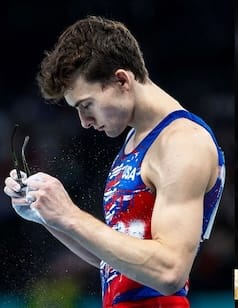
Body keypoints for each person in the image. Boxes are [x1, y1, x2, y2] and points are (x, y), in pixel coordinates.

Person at [4, 16, 225, 307]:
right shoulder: (135, 142)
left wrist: (70, 214)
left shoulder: (182, 141)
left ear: (122, 80)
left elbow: (170, 271)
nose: (84, 121)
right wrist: (47, 215)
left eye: (86, 105)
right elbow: (113, 261)